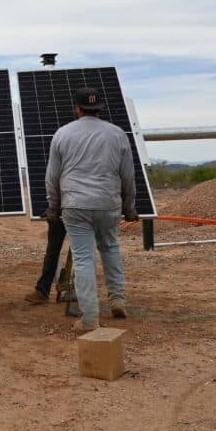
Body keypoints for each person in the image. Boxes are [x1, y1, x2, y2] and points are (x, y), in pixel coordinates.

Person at [45, 87, 138, 332]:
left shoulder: (63, 134)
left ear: (77, 108)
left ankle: (89, 318)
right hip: (108, 203)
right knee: (110, 247)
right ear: (100, 109)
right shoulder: (117, 134)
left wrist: (53, 208)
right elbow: (128, 175)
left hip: (75, 205)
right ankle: (118, 299)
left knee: (84, 258)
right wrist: (129, 208)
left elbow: (52, 177)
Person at [24, 216, 66, 303]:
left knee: (81, 254)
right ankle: (42, 291)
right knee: (52, 252)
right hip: (60, 214)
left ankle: (78, 290)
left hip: (79, 212)